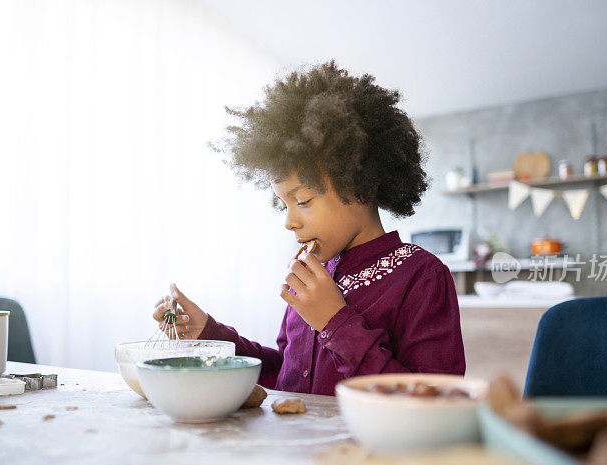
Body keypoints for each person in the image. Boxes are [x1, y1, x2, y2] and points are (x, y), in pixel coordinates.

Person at [153, 61, 465, 396]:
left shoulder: (422, 277)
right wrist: (208, 333)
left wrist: (335, 322)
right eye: (283, 204)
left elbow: (436, 402)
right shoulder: (310, 273)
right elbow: (286, 377)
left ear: (360, 182)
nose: (289, 222)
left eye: (302, 199)